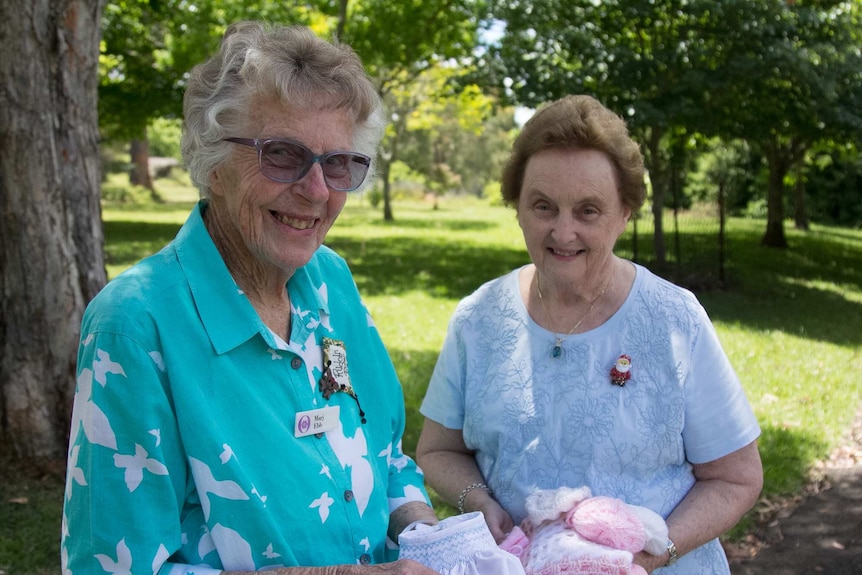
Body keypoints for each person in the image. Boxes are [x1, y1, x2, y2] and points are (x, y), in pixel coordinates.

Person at [62, 21, 441, 575]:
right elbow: (111, 568)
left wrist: (429, 538)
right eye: (283, 155)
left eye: (338, 163)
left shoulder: (330, 280)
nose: (316, 191)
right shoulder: (135, 325)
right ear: (212, 161)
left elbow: (385, 455)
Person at [415, 94, 763, 574]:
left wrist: (657, 554)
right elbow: (437, 449)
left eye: (588, 210)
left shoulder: (674, 320)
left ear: (625, 213)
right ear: (517, 207)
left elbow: (735, 478)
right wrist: (477, 499)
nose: (563, 231)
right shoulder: (478, 319)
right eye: (543, 206)